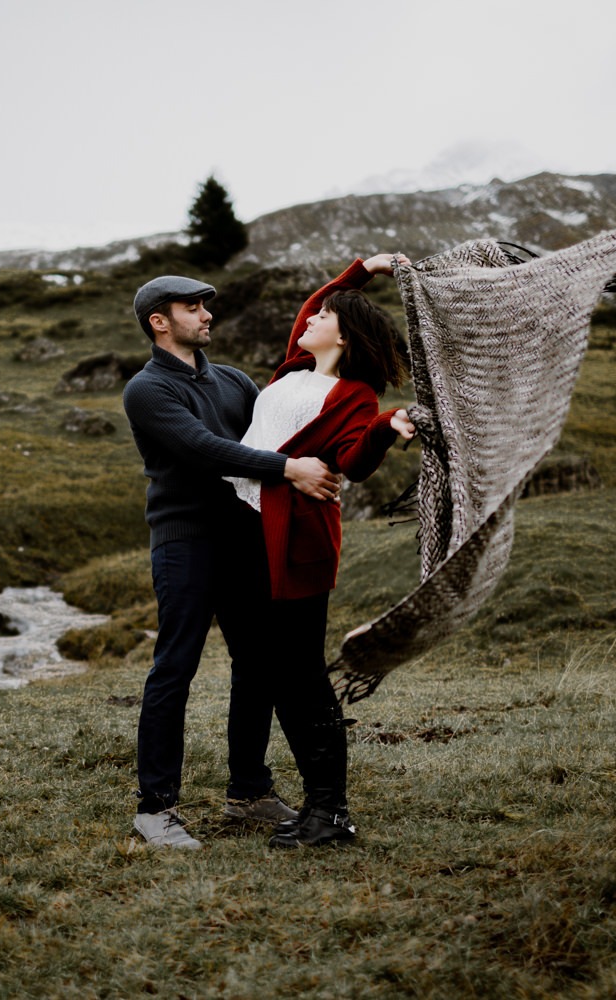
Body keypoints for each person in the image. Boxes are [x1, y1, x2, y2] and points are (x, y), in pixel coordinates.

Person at [122, 274, 343, 849]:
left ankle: (248, 793)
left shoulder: (235, 381)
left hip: (244, 538)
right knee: (176, 666)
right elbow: (202, 449)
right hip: (185, 541)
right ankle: (155, 809)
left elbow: (293, 398)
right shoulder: (147, 390)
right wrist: (288, 470)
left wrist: (361, 271)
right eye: (191, 307)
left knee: (258, 666)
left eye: (205, 306)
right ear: (159, 322)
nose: (205, 315)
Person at [222, 253, 416, 848]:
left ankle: (329, 809)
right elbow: (313, 302)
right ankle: (298, 802)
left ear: (345, 333)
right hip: (246, 531)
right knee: (269, 671)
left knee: (301, 676)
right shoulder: (291, 372)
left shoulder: (354, 394)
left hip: (296, 542)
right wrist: (364, 268)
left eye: (325, 315)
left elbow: (354, 461)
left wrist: (387, 426)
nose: (310, 317)